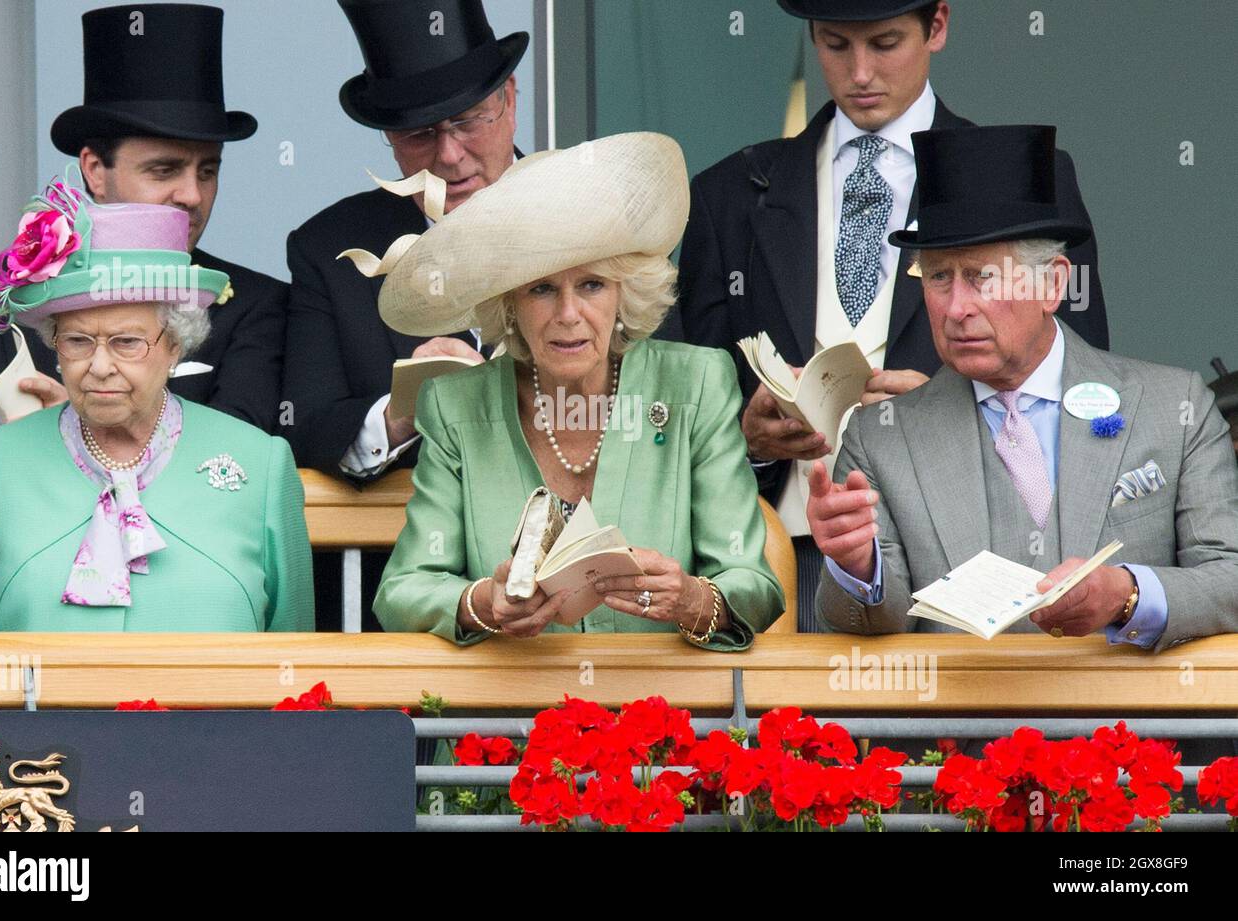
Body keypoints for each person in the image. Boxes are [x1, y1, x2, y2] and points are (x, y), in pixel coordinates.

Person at [669, 0, 1108, 632]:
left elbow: (1084, 387)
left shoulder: (1027, 179)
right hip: (790, 554)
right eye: (834, 45)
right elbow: (686, 398)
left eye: (884, 42)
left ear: (938, 27)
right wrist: (750, 441)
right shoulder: (729, 194)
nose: (860, 72)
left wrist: (961, 411)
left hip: (981, 553)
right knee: (802, 735)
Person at [809, 124, 1238, 652]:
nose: (956, 307)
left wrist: (1129, 593)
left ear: (1053, 284)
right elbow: (867, 626)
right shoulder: (879, 438)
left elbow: (1230, 578)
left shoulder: (1176, 408)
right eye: (938, 277)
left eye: (983, 277)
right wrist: (856, 566)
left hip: (1135, 727)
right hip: (958, 731)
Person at [370, 133, 784, 649]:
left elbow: (755, 585)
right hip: (507, 718)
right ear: (509, 305)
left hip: (663, 715)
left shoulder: (696, 385)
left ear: (624, 292)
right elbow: (402, 590)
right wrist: (482, 603)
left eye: (591, 285)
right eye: (541, 288)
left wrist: (693, 599)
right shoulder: (456, 405)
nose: (568, 315)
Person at [0, 182, 313, 631]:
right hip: (40, 704)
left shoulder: (262, 462)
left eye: (127, 342)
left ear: (175, 345)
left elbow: (292, 646)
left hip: (218, 704)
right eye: (77, 341)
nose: (99, 366)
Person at [0, 2, 286, 482]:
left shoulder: (257, 304)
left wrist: (80, 435)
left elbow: (235, 464)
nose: (191, 195)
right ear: (95, 170)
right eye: (163, 169)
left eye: (208, 171)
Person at [283, 0, 526, 631]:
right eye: (420, 133)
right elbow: (306, 425)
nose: (448, 155)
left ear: (510, 100)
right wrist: (397, 413)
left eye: (468, 120)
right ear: (390, 140)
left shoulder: (594, 220)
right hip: (405, 600)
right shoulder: (328, 247)